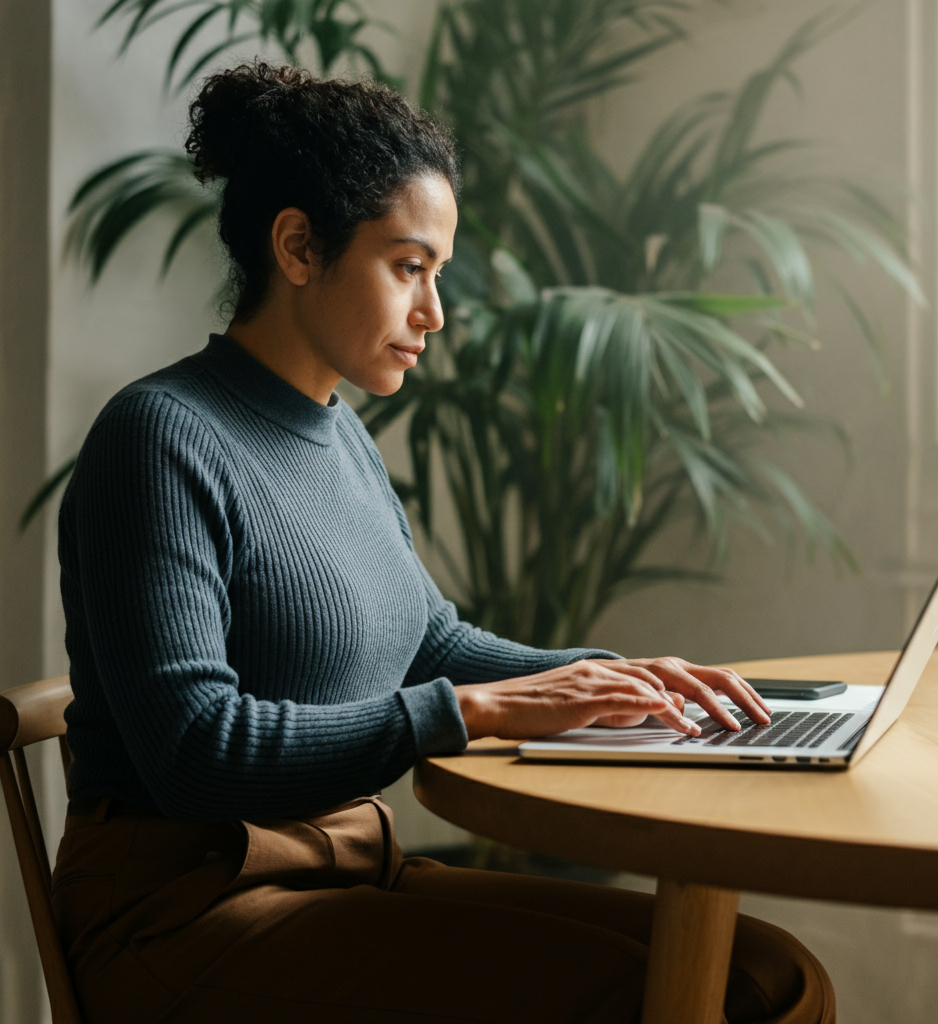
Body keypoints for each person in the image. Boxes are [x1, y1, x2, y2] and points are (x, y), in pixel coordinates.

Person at [52, 62, 836, 1024]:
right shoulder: (159, 435)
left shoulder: (339, 431)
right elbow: (193, 751)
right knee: (664, 997)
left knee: (765, 977)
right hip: (186, 911)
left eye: (438, 274)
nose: (433, 313)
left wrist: (612, 678)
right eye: (408, 267)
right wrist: (478, 710)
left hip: (351, 869)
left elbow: (428, 639)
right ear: (298, 246)